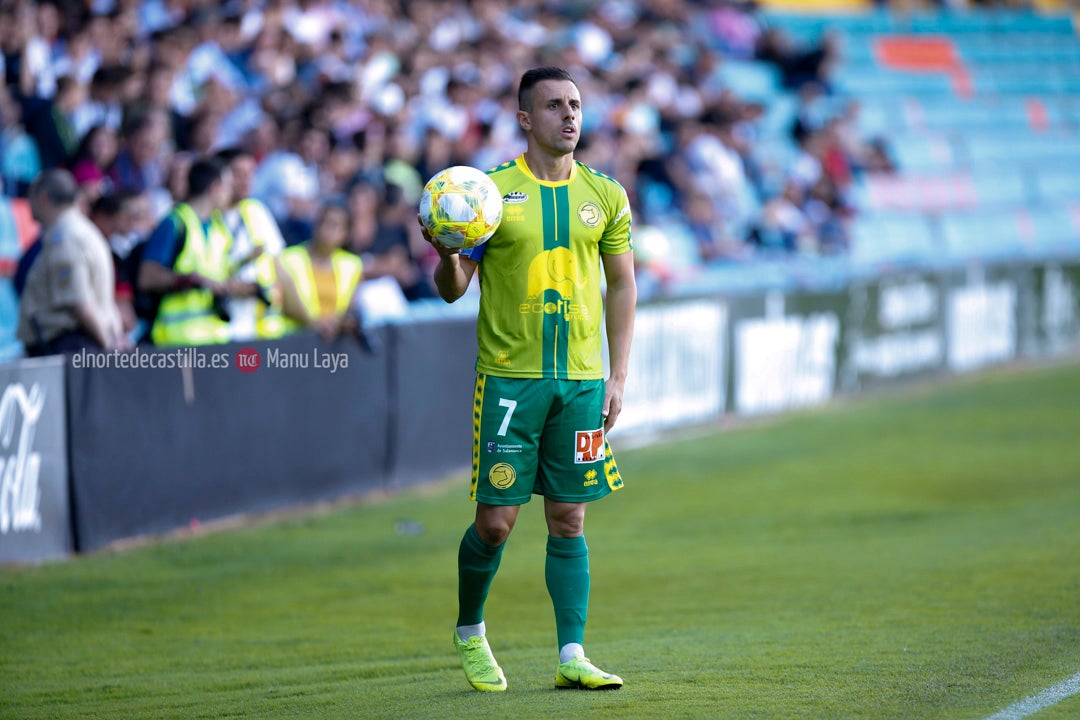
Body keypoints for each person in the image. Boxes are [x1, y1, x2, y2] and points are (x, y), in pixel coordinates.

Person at [421, 67, 637, 692]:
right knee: (497, 522)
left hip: (582, 383)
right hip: (511, 381)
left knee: (570, 517)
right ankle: (469, 630)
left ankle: (572, 654)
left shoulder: (606, 195)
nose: (569, 116)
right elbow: (452, 290)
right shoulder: (486, 194)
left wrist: (617, 376)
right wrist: (446, 256)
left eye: (574, 105)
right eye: (553, 106)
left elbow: (622, 285)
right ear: (525, 118)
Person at [136, 156, 246, 346]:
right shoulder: (174, 223)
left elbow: (219, 275)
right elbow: (147, 278)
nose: (231, 192)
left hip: (214, 341)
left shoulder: (219, 228)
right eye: (228, 186)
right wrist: (194, 279)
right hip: (175, 344)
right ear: (215, 188)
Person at [17, 168, 127, 356]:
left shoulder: (65, 239)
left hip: (70, 347)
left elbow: (79, 304)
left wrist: (110, 351)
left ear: (43, 199)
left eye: (31, 198)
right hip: (78, 345)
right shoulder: (83, 229)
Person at [278, 202, 363, 340]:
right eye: (322, 222)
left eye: (334, 225)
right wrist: (317, 323)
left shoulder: (353, 265)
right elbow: (284, 306)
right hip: (295, 341)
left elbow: (351, 309)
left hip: (334, 345)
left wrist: (340, 323)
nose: (326, 229)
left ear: (346, 233)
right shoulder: (287, 259)